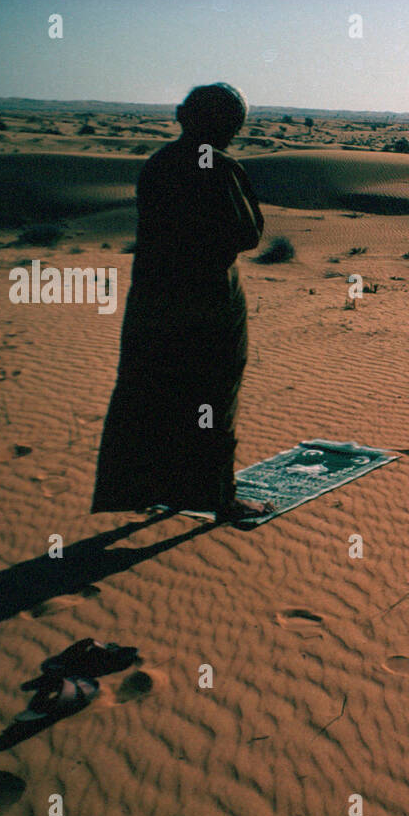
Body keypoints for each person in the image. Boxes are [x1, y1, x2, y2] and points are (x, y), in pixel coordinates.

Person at [91, 83, 270, 521]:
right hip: (207, 305)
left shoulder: (159, 163)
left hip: (154, 301)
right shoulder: (218, 166)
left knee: (153, 392)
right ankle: (217, 496)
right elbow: (247, 233)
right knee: (211, 396)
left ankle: (149, 488)